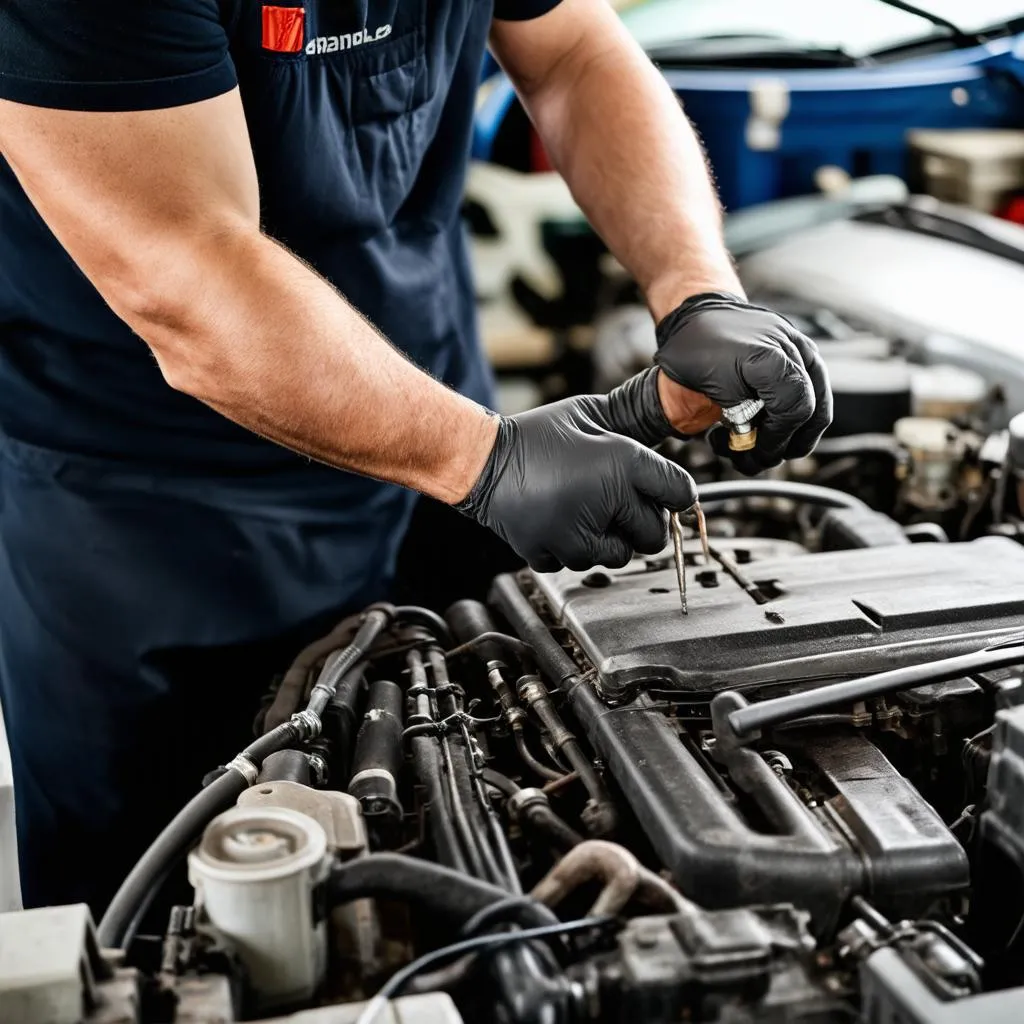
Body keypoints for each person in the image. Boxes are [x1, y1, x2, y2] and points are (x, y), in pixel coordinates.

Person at [0, 0, 831, 915]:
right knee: (174, 912)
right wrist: (486, 460)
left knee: (480, 825)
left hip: (436, 418)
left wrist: (696, 288)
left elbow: (572, 53)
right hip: (148, 517)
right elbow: (185, 269)